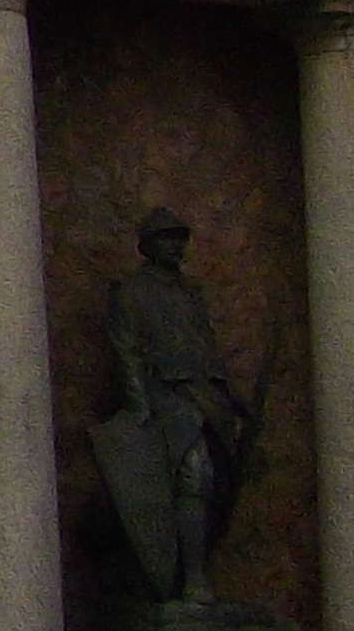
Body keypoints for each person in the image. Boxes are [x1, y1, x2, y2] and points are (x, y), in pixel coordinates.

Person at [99, 209, 252, 604]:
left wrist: (232, 398)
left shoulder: (190, 292)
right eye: (165, 238)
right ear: (147, 245)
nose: (174, 245)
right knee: (193, 476)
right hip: (166, 397)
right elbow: (126, 350)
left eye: (178, 238)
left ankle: (196, 570)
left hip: (206, 396)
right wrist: (139, 406)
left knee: (216, 484)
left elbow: (204, 347)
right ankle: (193, 579)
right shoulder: (132, 291)